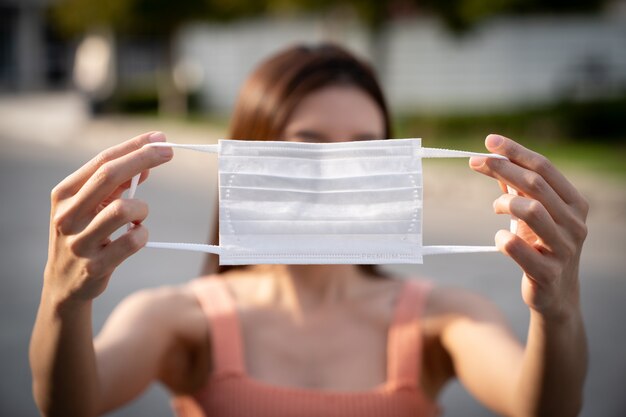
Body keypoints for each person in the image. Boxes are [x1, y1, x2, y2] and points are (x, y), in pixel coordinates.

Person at [30, 44, 589, 417]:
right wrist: (63, 295)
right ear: (248, 160)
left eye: (367, 152)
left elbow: (544, 407)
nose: (341, 173)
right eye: (308, 148)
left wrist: (558, 308)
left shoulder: (444, 317)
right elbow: (68, 404)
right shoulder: (182, 319)